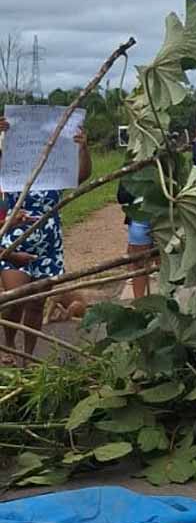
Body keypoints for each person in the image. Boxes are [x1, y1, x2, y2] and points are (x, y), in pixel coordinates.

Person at [0, 111, 92, 367]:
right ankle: (8, 344)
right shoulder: (12, 172)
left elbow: (81, 176)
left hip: (49, 243)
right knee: (15, 299)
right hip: (15, 238)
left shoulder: (55, 173)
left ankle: (27, 355)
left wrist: (84, 148)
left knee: (36, 305)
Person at [117, 180, 154, 299]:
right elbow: (122, 196)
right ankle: (139, 305)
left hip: (163, 214)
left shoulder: (168, 163)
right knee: (139, 263)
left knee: (165, 260)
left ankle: (168, 302)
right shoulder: (131, 169)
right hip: (139, 217)